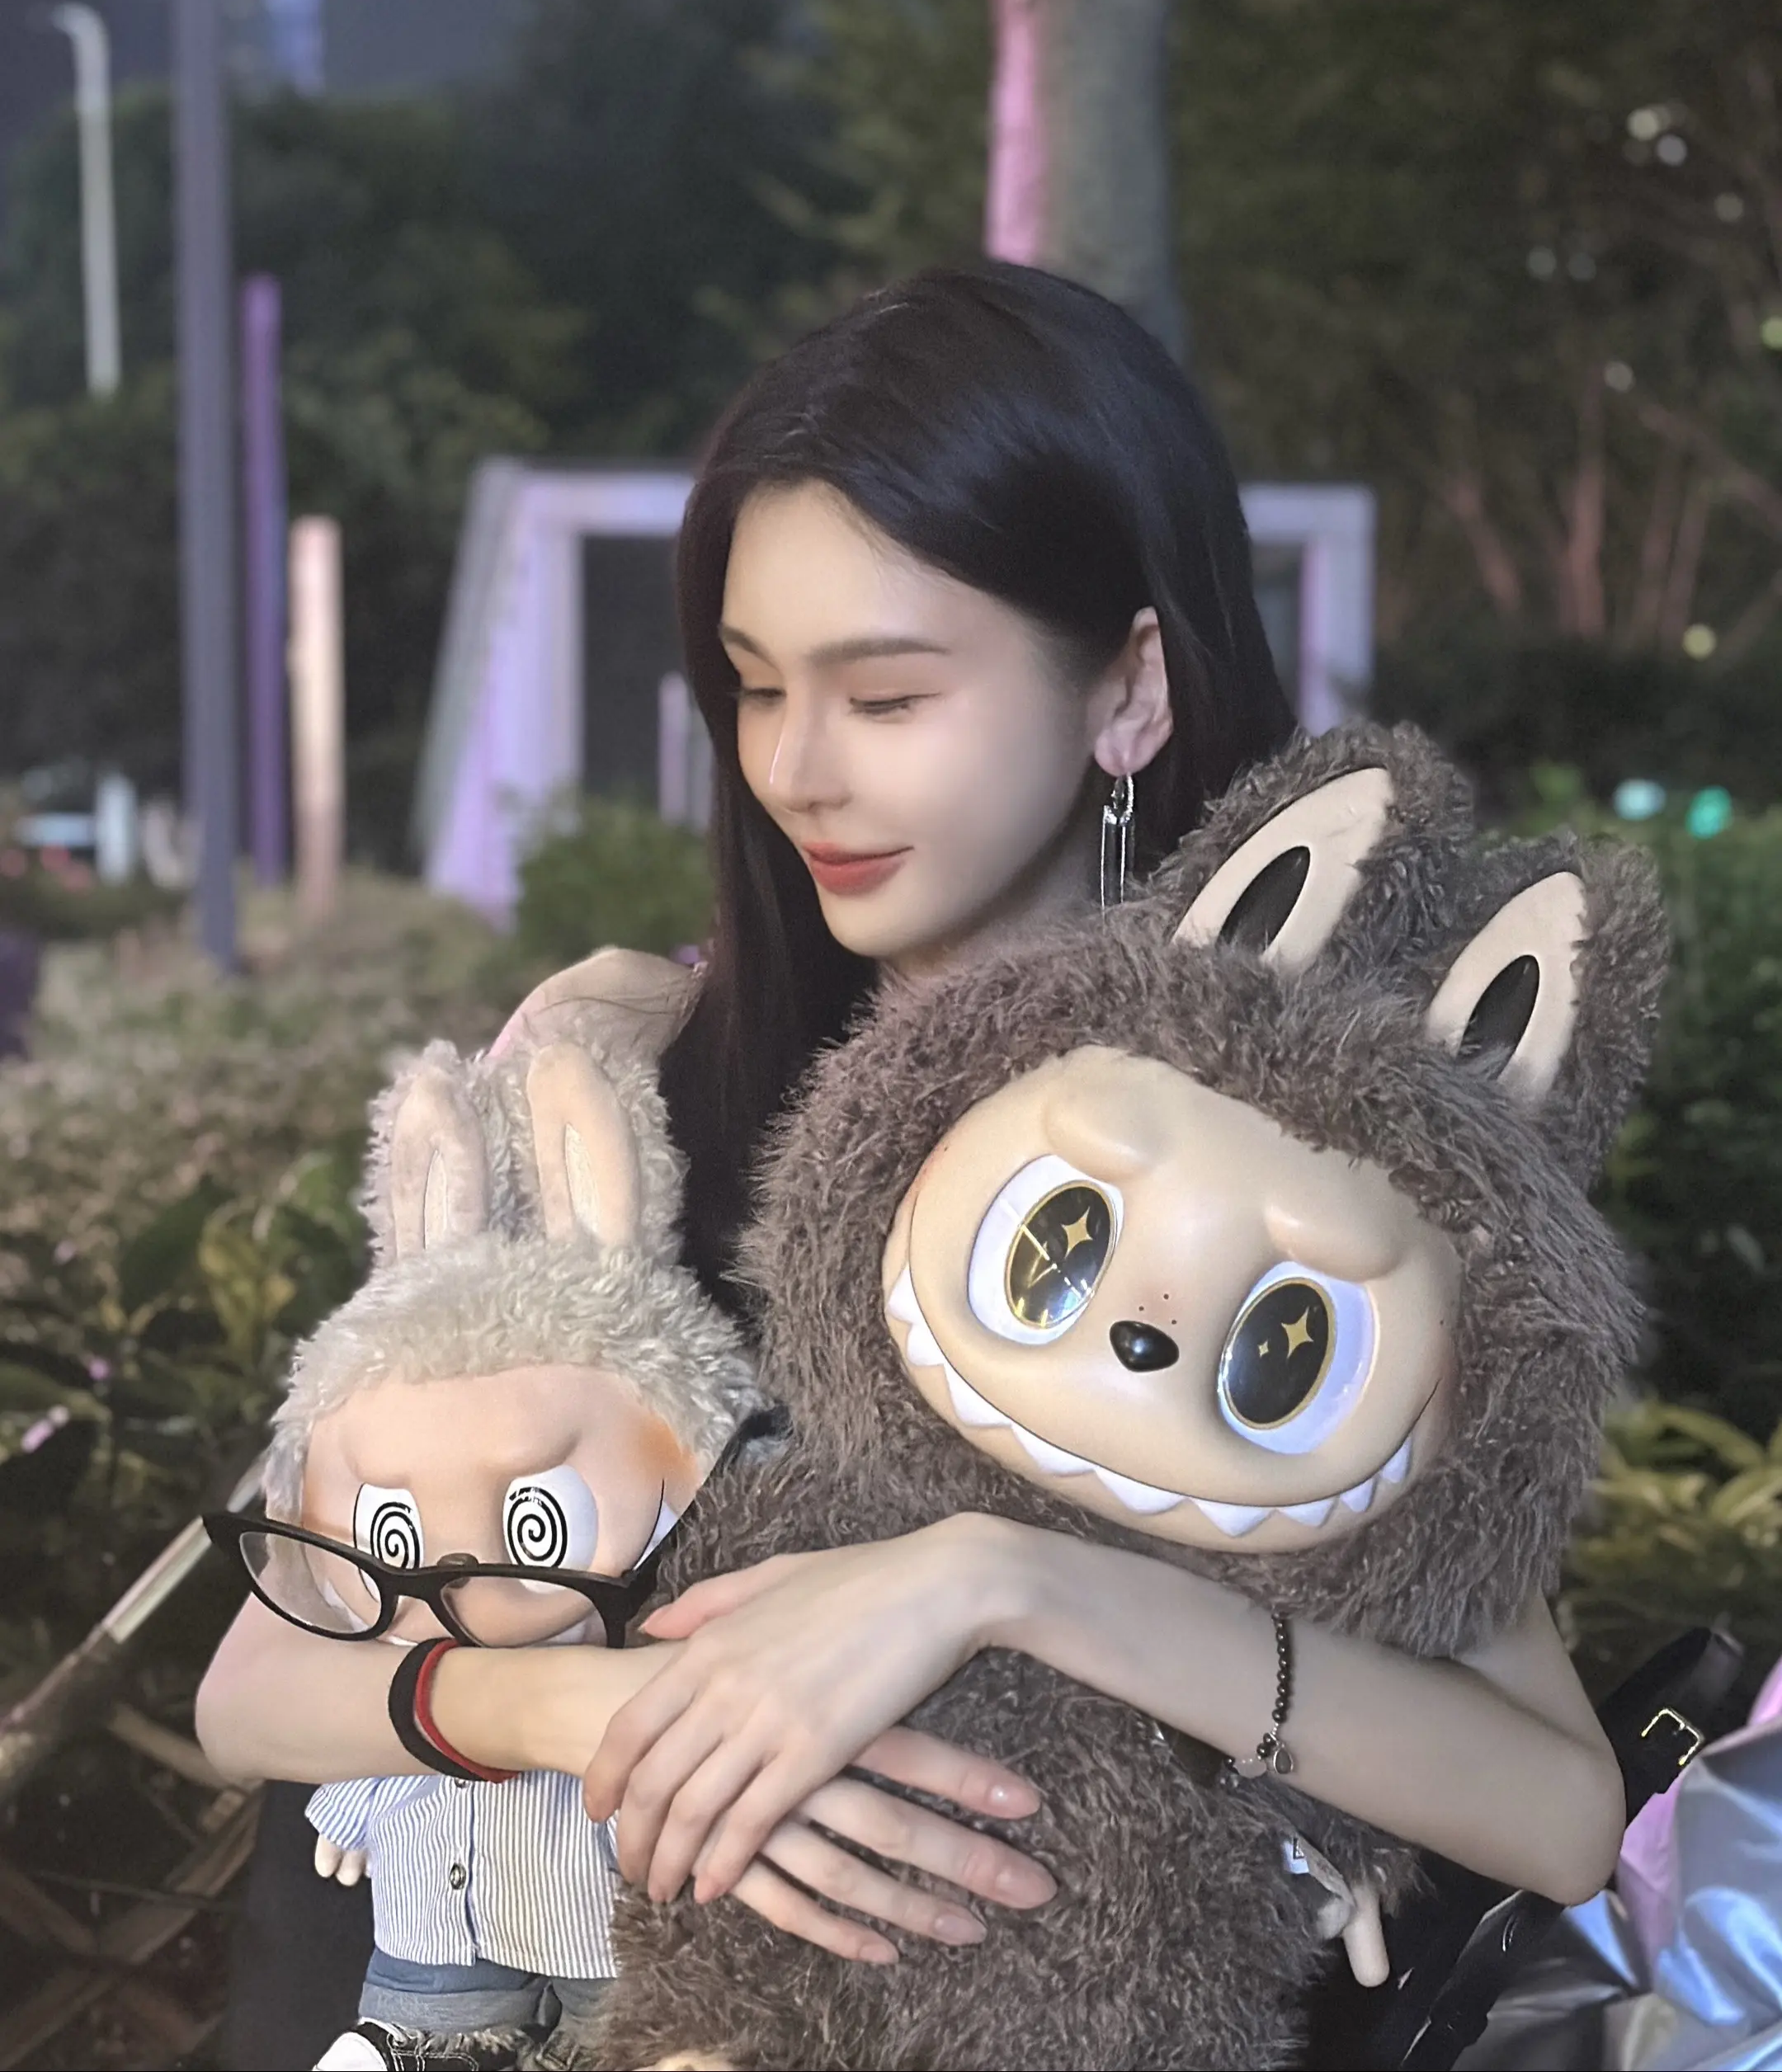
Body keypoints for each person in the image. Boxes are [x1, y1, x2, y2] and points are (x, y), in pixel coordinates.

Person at [200, 262, 1625, 2046]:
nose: (797, 770)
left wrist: (1005, 1584)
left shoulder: (1295, 1162)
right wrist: (602, 1709)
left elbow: (1558, 1807)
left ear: (1129, 688)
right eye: (752, 688)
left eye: (884, 699)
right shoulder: (630, 1094)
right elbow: (257, 1681)